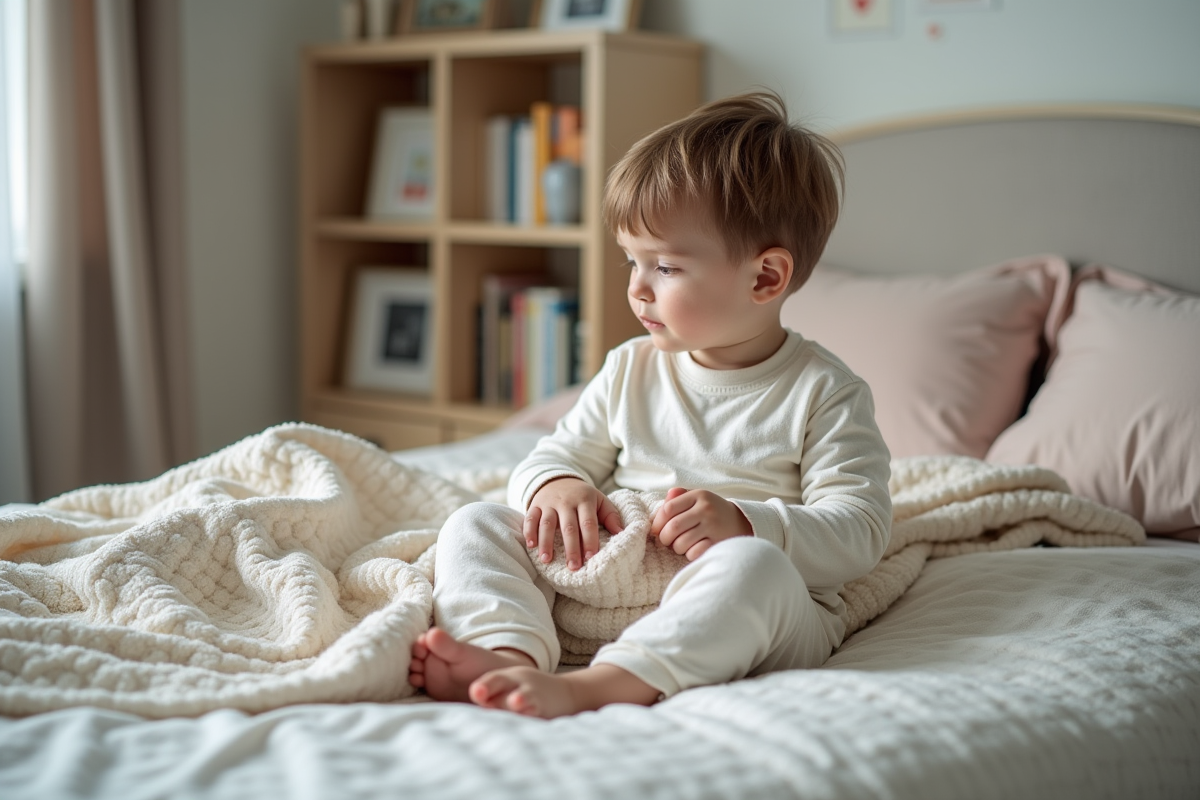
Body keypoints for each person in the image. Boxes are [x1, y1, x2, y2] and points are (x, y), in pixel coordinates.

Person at [408, 90, 892, 718]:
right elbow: (553, 452)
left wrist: (752, 524)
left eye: (663, 267)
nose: (635, 289)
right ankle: (507, 656)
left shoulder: (825, 393)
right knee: (475, 524)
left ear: (765, 278)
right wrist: (556, 485)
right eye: (630, 261)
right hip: (613, 575)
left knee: (755, 569)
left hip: (738, 603)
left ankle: (596, 686)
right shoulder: (631, 366)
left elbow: (861, 530)